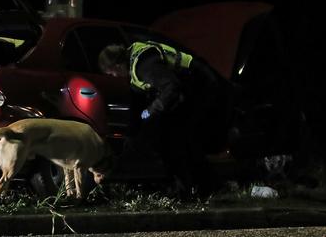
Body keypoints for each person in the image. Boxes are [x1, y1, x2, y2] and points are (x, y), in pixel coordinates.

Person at [98, 41, 231, 198]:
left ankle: (198, 189)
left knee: (178, 139)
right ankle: (201, 187)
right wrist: (131, 135)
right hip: (187, 91)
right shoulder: (134, 65)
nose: (113, 77)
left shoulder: (144, 66)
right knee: (172, 139)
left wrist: (151, 110)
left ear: (118, 65)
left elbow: (171, 87)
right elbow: (137, 104)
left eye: (111, 72)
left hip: (202, 87)